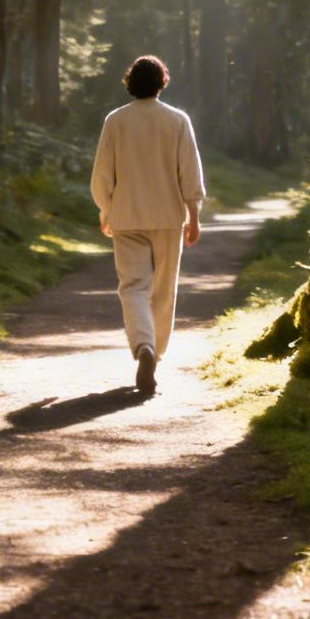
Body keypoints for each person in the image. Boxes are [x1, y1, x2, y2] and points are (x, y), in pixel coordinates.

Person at [89, 55, 205, 395]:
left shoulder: (115, 121)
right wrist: (193, 214)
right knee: (163, 290)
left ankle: (144, 347)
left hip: (126, 217)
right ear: (161, 83)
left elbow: (102, 174)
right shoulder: (177, 120)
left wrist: (106, 209)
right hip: (169, 218)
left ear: (130, 83)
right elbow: (189, 170)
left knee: (133, 287)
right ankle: (156, 351)